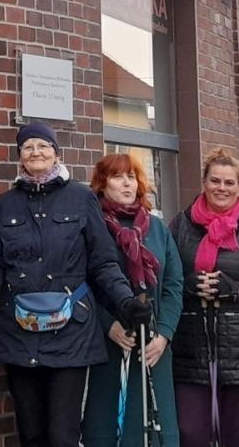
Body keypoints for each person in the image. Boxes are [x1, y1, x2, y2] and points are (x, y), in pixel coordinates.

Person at [0, 123, 148, 447]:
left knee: (62, 435)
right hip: (19, 329)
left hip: (69, 332)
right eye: (28, 148)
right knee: (31, 433)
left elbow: (103, 262)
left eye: (43, 146)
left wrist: (126, 302)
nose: (36, 152)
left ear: (57, 152)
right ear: (20, 157)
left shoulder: (81, 198)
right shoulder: (6, 204)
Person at [168, 149, 239, 447]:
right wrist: (188, 285)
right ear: (203, 183)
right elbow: (166, 278)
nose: (222, 188)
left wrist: (238, 290)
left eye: (230, 183)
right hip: (191, 350)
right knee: (190, 433)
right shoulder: (181, 225)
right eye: (215, 180)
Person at [82, 153, 182, 447]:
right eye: (117, 176)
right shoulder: (93, 227)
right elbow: (82, 283)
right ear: (102, 184)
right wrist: (107, 325)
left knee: (154, 428)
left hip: (153, 346)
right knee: (107, 425)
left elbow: (174, 285)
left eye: (131, 177)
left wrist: (164, 334)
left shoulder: (157, 229)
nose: (127, 183)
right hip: (110, 345)